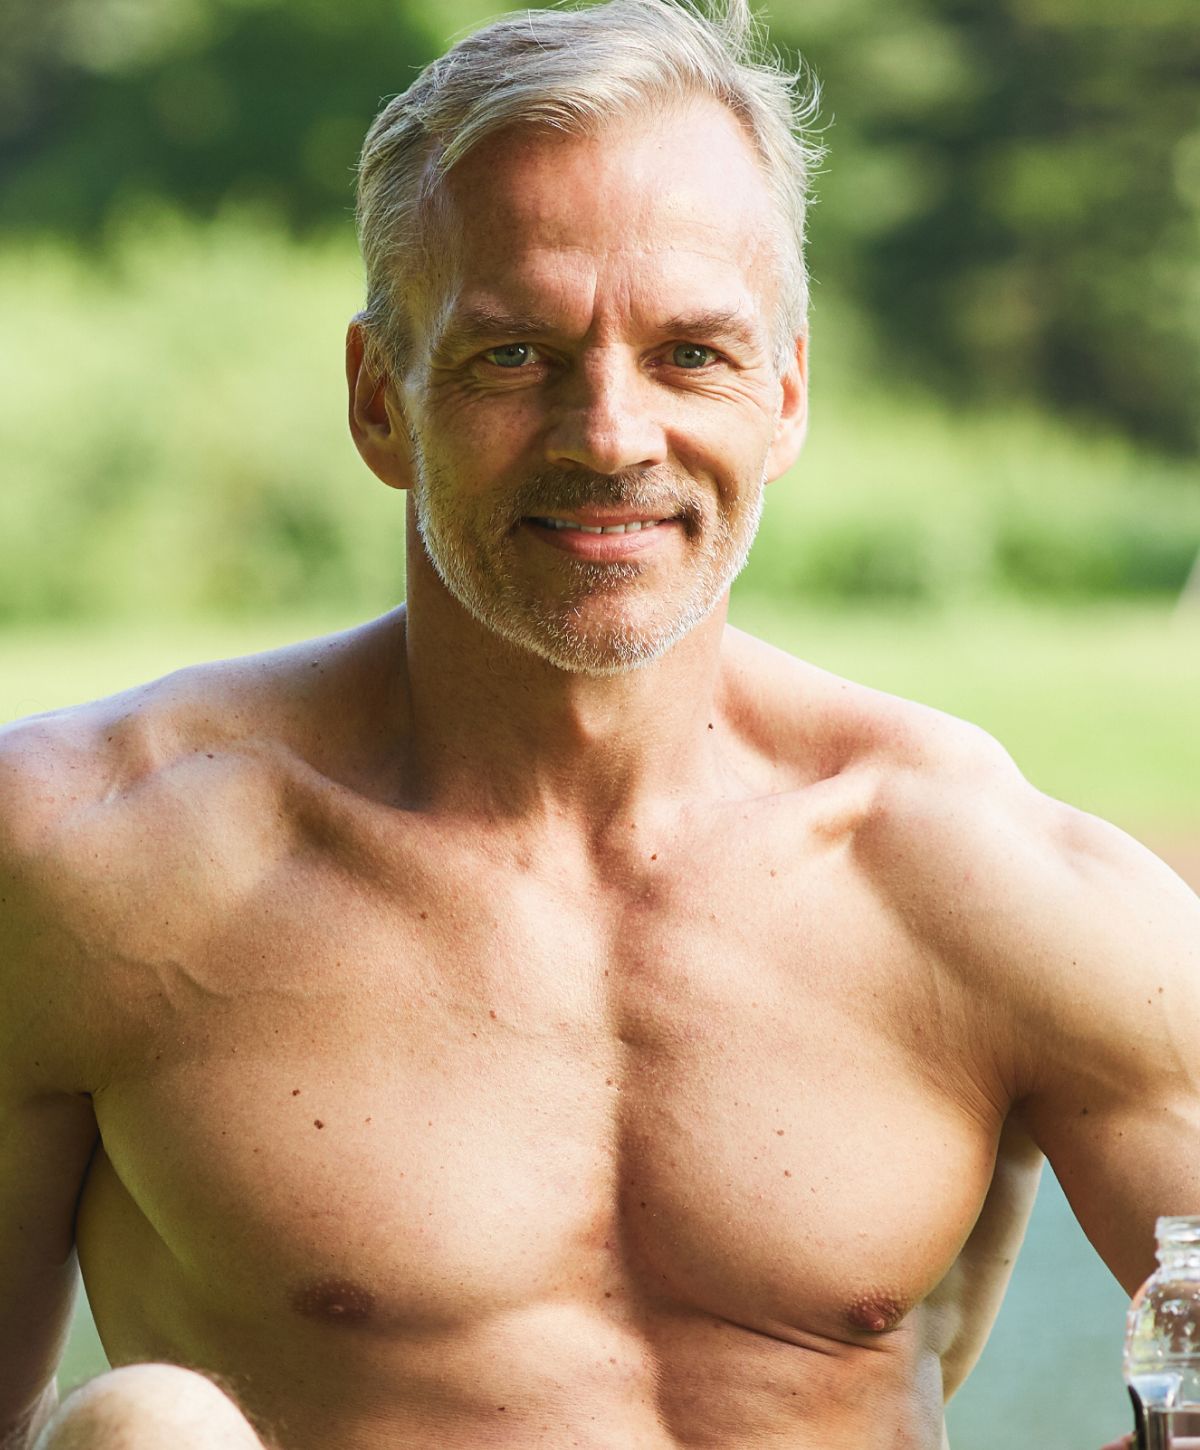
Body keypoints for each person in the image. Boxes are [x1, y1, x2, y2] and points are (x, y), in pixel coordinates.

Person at [1, 1, 1196, 1447]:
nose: (612, 435)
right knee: (148, 1432)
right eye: (512, 356)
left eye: (693, 352)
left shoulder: (984, 884)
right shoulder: (86, 859)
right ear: (381, 401)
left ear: (788, 392)